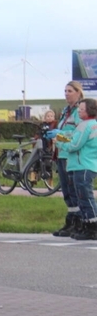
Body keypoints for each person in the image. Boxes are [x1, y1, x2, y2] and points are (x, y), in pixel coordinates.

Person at [48, 82, 85, 237]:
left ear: (78, 92)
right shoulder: (66, 111)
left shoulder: (79, 111)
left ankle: (79, 222)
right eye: (65, 91)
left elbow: (78, 136)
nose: (66, 94)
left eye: (70, 91)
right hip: (62, 154)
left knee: (74, 190)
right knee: (67, 191)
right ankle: (71, 221)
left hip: (71, 155)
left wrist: (59, 135)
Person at [60, 98, 97, 240]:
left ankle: (92, 227)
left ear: (89, 110)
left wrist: (58, 141)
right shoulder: (93, 124)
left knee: (84, 197)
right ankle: (87, 224)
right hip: (88, 164)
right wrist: (60, 136)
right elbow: (75, 140)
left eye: (81, 109)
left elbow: (74, 145)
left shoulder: (84, 126)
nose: (79, 112)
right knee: (84, 197)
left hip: (82, 165)